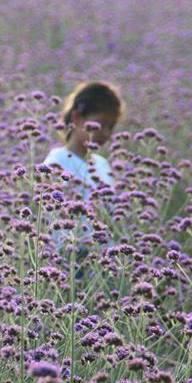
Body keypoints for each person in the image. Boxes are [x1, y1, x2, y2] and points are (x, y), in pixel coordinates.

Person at [42, 81, 125, 277]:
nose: (105, 133)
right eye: (99, 124)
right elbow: (50, 218)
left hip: (104, 265)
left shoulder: (103, 164)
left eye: (111, 126)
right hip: (70, 263)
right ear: (77, 118)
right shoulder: (57, 161)